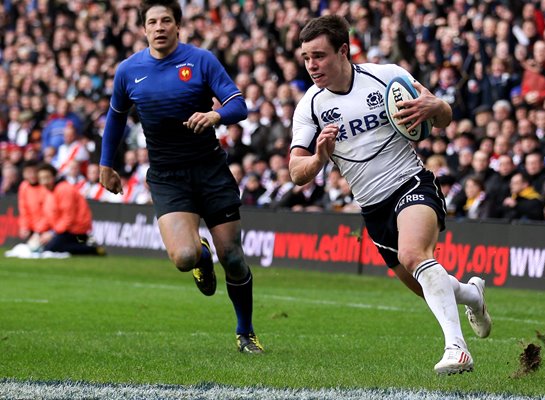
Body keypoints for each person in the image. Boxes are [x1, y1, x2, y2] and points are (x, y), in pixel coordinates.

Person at [289, 15, 491, 375]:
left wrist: (436, 107)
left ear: (343, 51)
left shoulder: (386, 77)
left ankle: (457, 349)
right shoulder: (310, 106)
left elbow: (441, 115)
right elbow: (296, 172)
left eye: (318, 55)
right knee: (424, 285)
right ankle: (472, 295)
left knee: (415, 254)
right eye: (306, 57)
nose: (311, 65)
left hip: (410, 183)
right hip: (371, 207)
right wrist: (319, 157)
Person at [98, 0, 263, 354]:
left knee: (233, 256)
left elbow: (239, 104)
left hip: (210, 170)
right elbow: (115, 118)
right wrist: (105, 164)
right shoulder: (129, 71)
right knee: (184, 257)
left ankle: (245, 332)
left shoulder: (201, 60)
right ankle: (202, 259)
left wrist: (215, 116)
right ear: (143, 29)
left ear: (177, 26)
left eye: (166, 20)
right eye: (152, 22)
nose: (159, 27)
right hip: (167, 176)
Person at [36, 163, 104, 255]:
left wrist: (52, 233)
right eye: (41, 179)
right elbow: (48, 217)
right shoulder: (50, 192)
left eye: (47, 178)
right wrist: (38, 232)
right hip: (63, 230)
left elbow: (68, 218)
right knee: (43, 247)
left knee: (51, 249)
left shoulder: (64, 189)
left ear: (54, 177)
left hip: (76, 231)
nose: (44, 182)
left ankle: (93, 250)